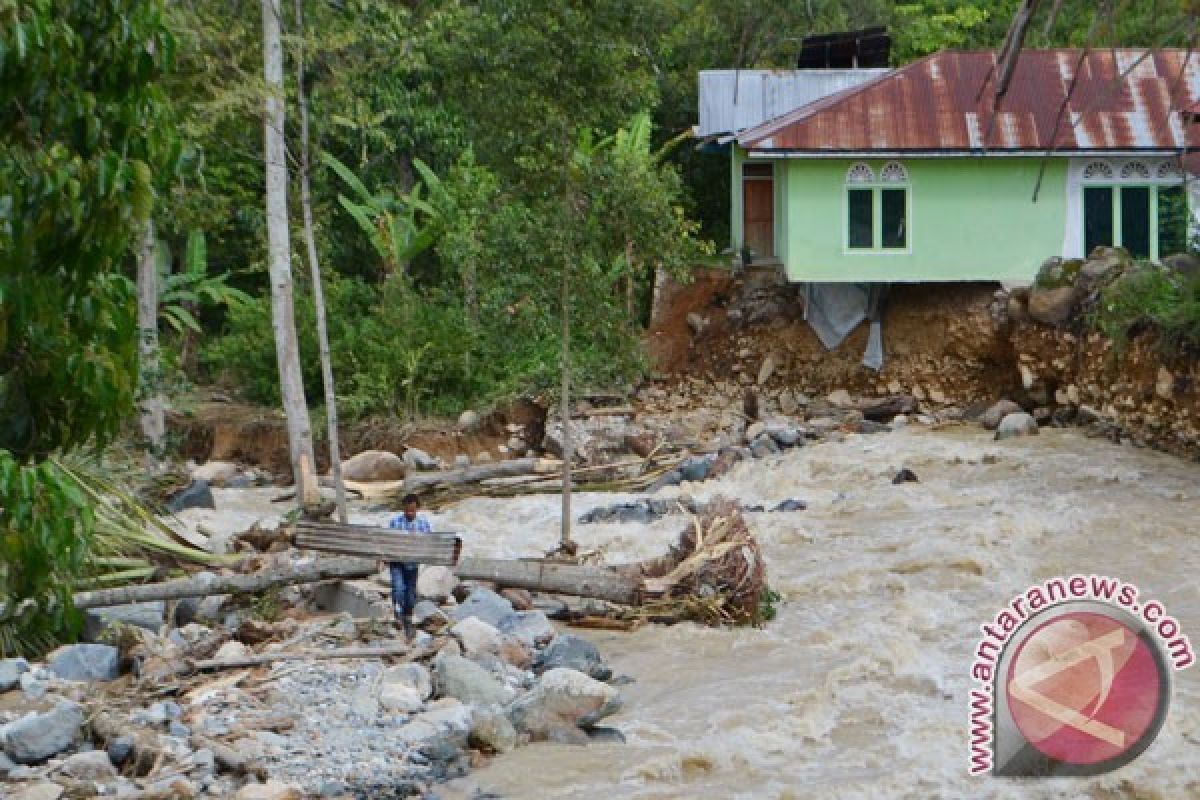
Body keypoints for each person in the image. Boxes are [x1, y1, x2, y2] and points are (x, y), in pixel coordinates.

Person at [387, 492, 431, 640]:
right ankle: (398, 613)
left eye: (412, 510)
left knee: (410, 593)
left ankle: (407, 615)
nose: (409, 513)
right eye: (407, 510)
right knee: (398, 588)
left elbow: (429, 543)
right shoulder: (395, 522)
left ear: (417, 509)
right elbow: (387, 541)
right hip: (397, 562)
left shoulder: (423, 524)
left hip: (413, 563)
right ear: (403, 509)